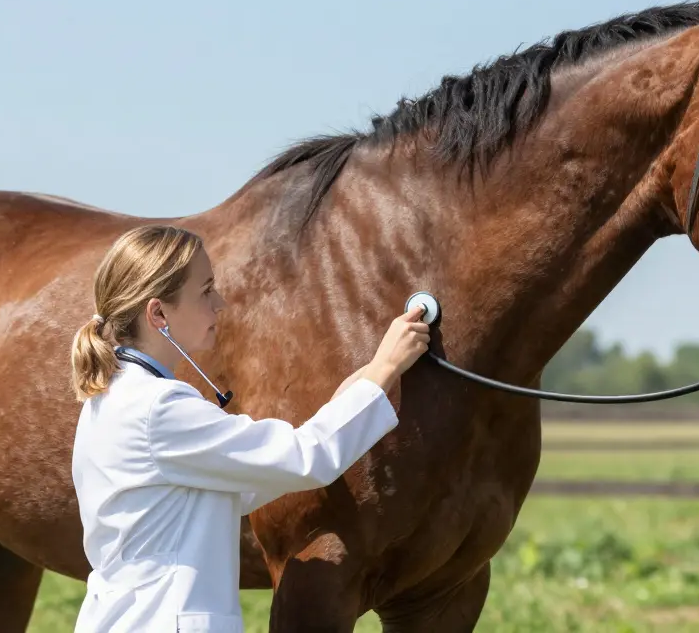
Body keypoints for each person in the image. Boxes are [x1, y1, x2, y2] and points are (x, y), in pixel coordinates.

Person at [68, 223, 430, 633]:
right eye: (205, 291)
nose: (219, 303)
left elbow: (244, 482)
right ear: (159, 314)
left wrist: (367, 381)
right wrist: (384, 367)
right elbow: (306, 457)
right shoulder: (159, 408)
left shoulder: (112, 400)